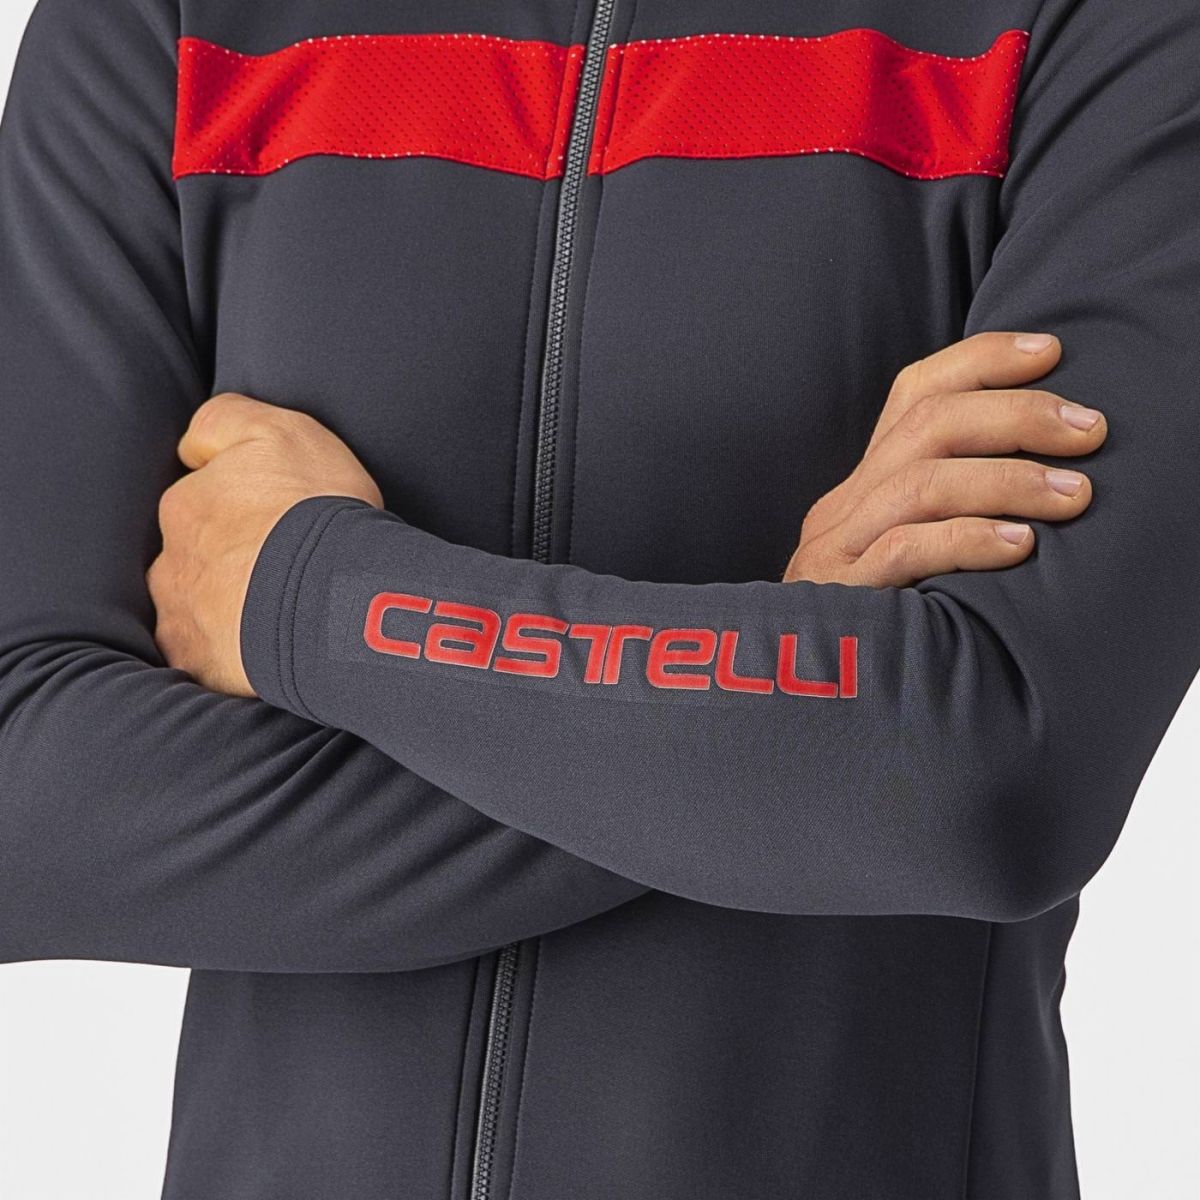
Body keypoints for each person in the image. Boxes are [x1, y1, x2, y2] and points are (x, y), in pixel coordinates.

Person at [0, 1, 1196, 1197]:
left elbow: (989, 778)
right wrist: (784, 696)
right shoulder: (166, 18)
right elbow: (28, 800)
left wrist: (306, 600)